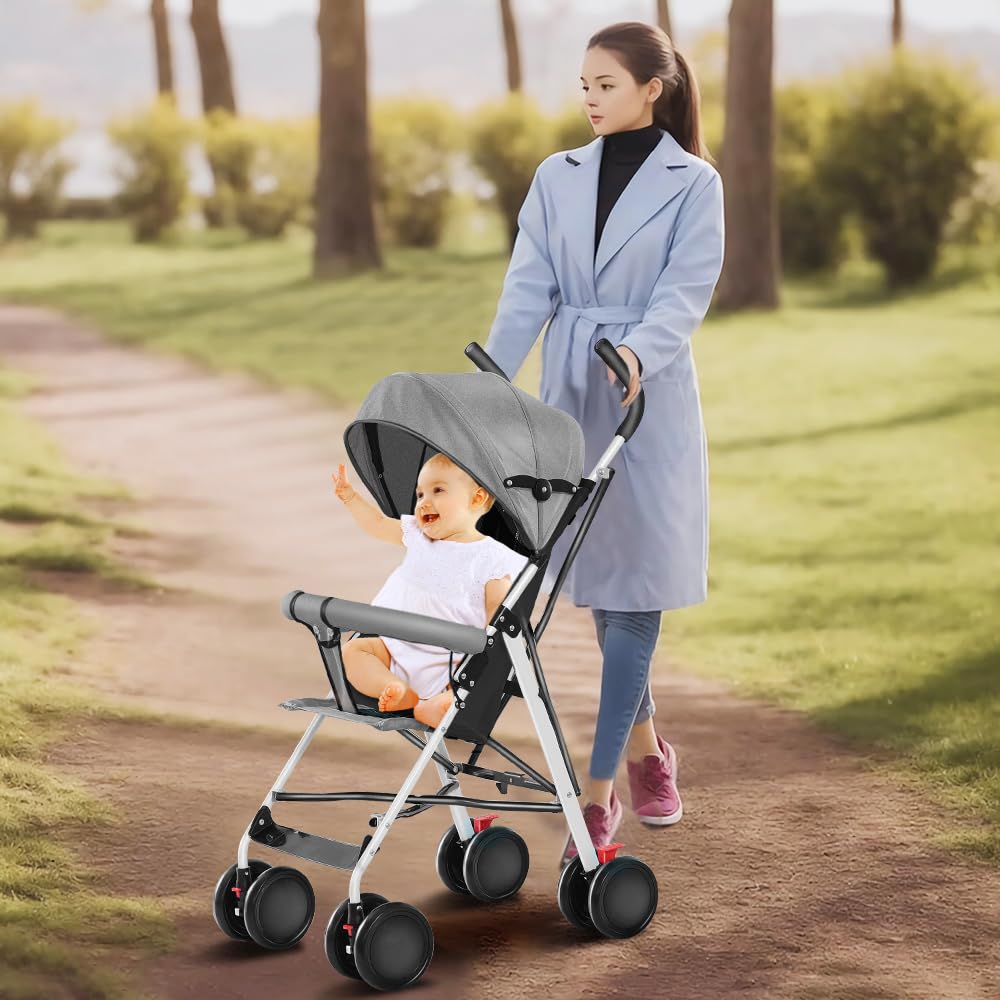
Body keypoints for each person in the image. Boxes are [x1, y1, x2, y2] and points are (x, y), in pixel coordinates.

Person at [482, 21, 725, 865]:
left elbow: (685, 294)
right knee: (600, 584)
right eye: (583, 84)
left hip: (643, 397)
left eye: (606, 84)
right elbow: (528, 288)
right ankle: (651, 749)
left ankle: (597, 796)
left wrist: (637, 353)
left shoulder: (695, 183)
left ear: (653, 88)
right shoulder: (556, 176)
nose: (589, 98)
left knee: (638, 590)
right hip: (570, 398)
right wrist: (489, 378)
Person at [331, 452, 528, 729]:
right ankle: (395, 689)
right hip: (393, 647)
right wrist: (350, 498)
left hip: (448, 661)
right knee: (353, 652)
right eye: (420, 494)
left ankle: (437, 704)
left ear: (477, 499)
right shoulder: (417, 535)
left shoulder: (491, 557)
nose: (424, 502)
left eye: (438, 490)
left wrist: (484, 652)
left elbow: (497, 610)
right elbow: (376, 524)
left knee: (460, 691)